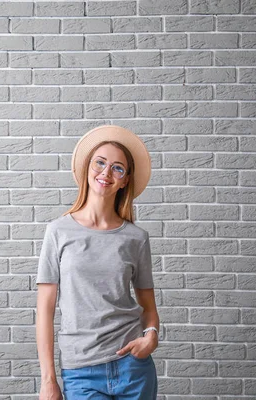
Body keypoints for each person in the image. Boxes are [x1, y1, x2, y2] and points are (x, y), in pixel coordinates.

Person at [36, 125, 159, 400]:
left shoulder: (136, 238)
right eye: (100, 163)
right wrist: (48, 380)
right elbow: (44, 310)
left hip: (133, 368)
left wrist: (151, 335)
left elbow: (149, 308)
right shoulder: (58, 231)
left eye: (118, 168)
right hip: (81, 371)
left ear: (125, 180)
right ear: (87, 168)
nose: (106, 173)